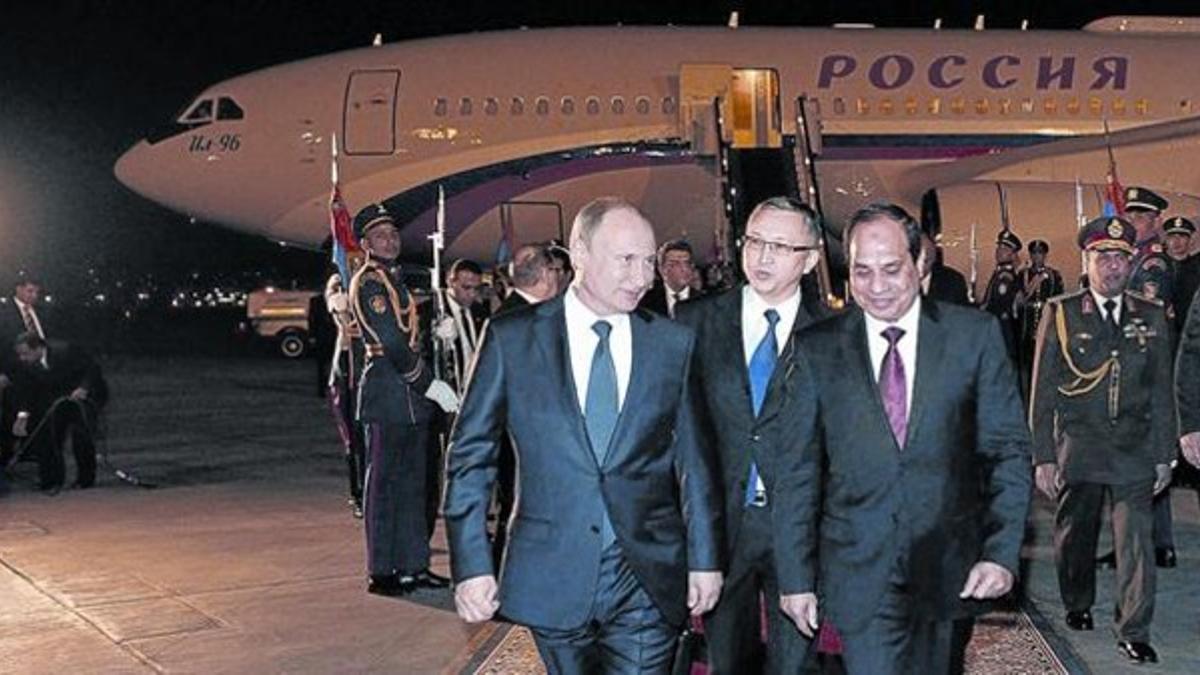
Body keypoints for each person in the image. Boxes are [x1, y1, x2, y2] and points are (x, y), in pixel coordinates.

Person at [445, 197, 723, 674]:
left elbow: (695, 461)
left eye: (648, 261)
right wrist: (471, 564)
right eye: (626, 260)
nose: (642, 277)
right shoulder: (513, 338)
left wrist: (705, 558)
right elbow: (471, 455)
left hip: (646, 580)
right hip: (546, 576)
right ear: (580, 253)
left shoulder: (671, 343)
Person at [773, 202, 1031, 674]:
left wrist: (1000, 552)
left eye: (891, 270)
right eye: (862, 272)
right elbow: (796, 471)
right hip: (856, 568)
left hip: (950, 567)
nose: (876, 287)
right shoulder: (817, 349)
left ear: (920, 263)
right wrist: (794, 577)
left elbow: (1006, 452)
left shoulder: (974, 337)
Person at [676, 197, 826, 674]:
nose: (762, 257)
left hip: (802, 531)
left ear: (811, 258)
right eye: (755, 241)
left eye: (780, 246)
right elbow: (680, 434)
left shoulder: (835, 334)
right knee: (727, 662)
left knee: (795, 665)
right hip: (722, 526)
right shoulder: (694, 322)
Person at [1029, 216, 1174, 664]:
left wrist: (1165, 453)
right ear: (1086, 260)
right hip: (1081, 442)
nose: (1113, 267)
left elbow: (1161, 389)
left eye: (1120, 258)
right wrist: (1044, 457)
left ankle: (1133, 627)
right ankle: (1077, 600)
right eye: (1103, 257)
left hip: (1134, 444)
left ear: (1131, 263)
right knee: (1077, 532)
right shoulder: (1062, 311)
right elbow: (1043, 391)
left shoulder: (1149, 314)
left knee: (1136, 541)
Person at [347, 203, 458, 597]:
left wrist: (438, 329)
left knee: (414, 485)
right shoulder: (370, 282)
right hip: (389, 391)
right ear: (364, 243)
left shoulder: (396, 279)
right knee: (383, 486)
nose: (390, 240)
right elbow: (392, 343)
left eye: (393, 234)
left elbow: (408, 331)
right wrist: (430, 386)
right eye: (380, 235)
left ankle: (413, 565)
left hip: (410, 399)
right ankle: (382, 570)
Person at [8, 333, 108, 492]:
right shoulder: (26, 366)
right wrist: (22, 415)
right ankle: (52, 480)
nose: (22, 358)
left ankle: (85, 480)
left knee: (81, 436)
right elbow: (27, 390)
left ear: (39, 348)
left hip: (85, 396)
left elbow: (92, 369)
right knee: (49, 436)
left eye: (25, 353)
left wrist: (84, 388)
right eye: (19, 354)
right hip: (57, 399)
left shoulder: (66, 351)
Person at [324, 271, 366, 518]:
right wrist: (341, 301)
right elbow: (334, 301)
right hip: (346, 374)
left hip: (369, 372)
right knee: (353, 441)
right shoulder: (339, 282)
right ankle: (357, 493)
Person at [979, 229, 1023, 361]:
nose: (998, 252)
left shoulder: (1006, 277)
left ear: (1013, 255)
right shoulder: (1000, 274)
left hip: (1002, 331)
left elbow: (998, 306)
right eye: (998, 248)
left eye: (1004, 249)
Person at [1123, 186, 1172, 303]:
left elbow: (1150, 309)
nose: (1132, 223)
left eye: (1139, 217)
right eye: (1129, 218)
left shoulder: (1154, 261)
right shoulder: (1132, 253)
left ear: (1156, 223)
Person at [639, 239, 702, 318]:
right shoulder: (646, 301)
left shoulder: (703, 301)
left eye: (687, 263)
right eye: (675, 263)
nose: (684, 269)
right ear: (662, 270)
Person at [916, 233, 970, 305]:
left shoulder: (953, 280)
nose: (922, 264)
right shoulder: (898, 280)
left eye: (926, 260)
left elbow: (963, 312)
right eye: (917, 256)